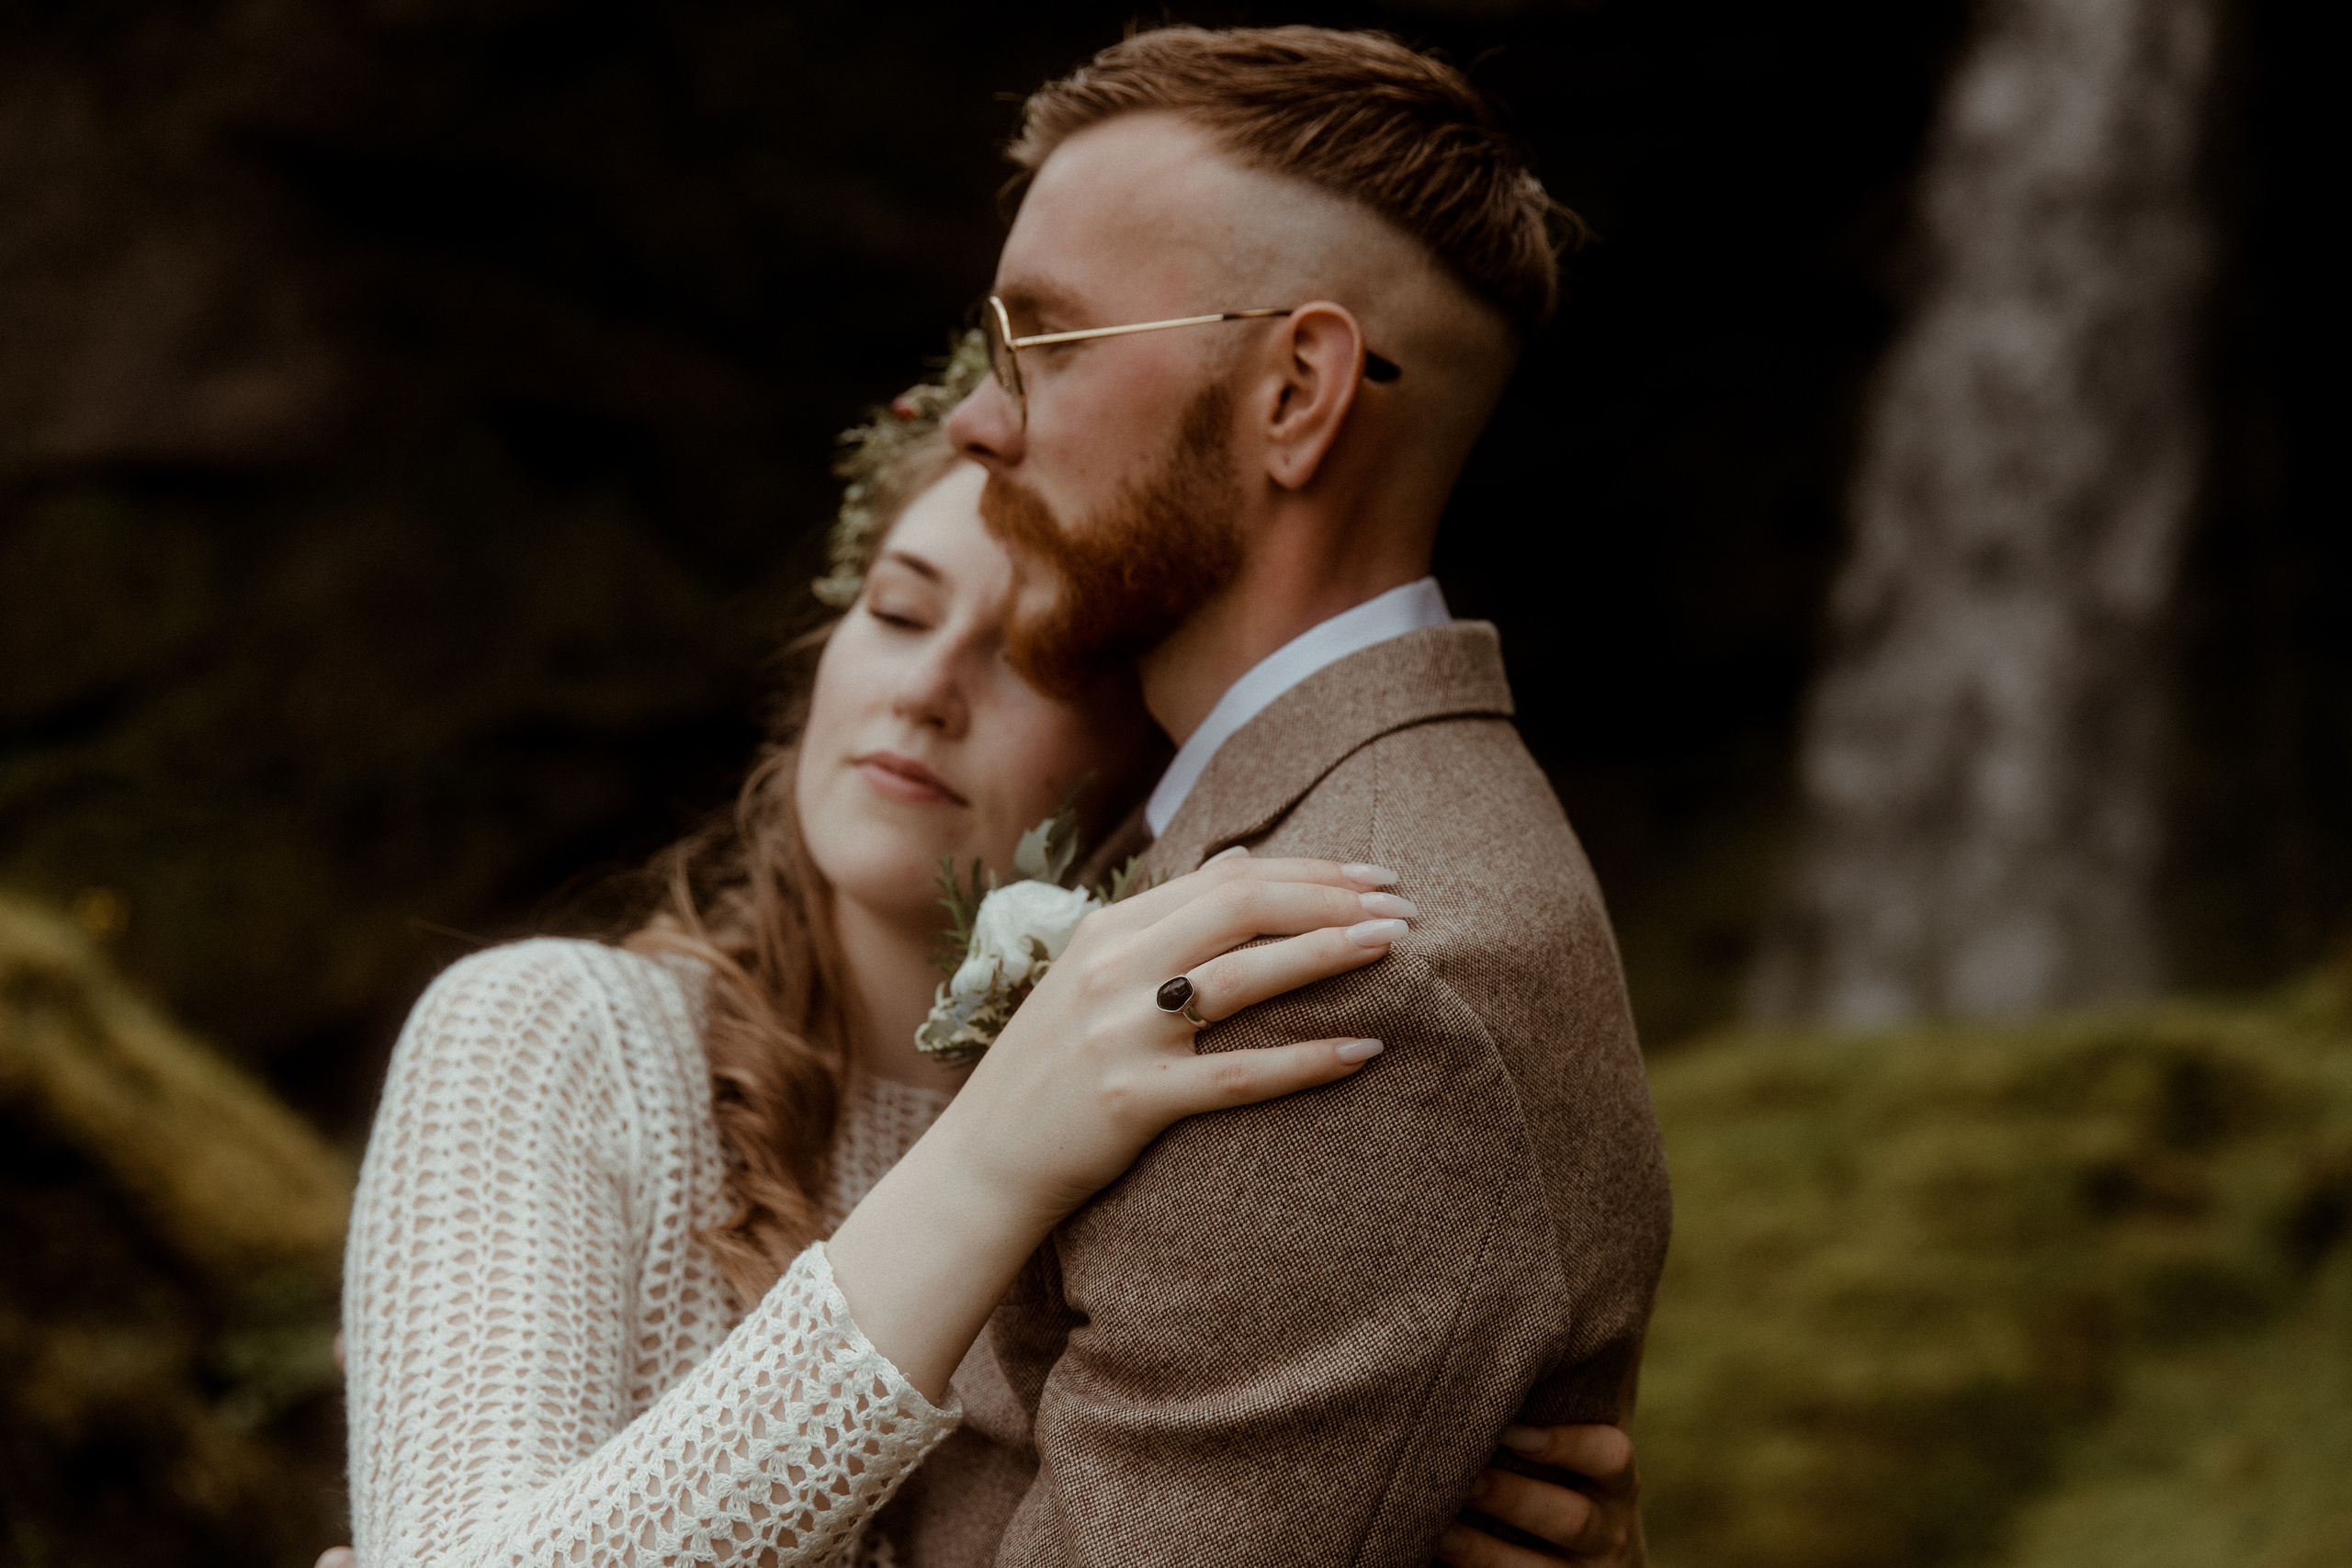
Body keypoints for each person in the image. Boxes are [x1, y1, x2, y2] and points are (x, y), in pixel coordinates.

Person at [334, 353, 1648, 1563]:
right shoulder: (549, 1036)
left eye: (1029, 657)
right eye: (900, 611)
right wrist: (982, 1164)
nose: (927, 690)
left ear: (1143, 761)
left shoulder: (1179, 1147)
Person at [871, 23, 1676, 1566]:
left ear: (1296, 392)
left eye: (1045, 341)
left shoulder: (1346, 983)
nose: (974, 421)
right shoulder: (1215, 828)